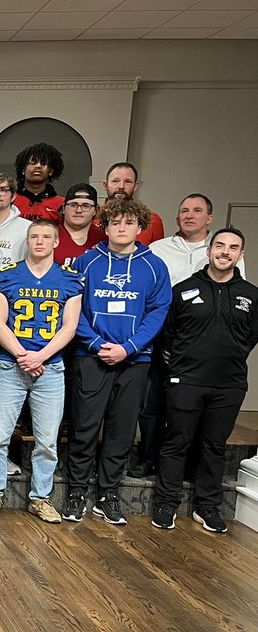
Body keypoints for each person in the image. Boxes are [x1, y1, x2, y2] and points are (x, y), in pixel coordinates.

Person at [62, 197, 171, 524]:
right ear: (105, 226)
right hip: (90, 356)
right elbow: (73, 308)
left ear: (139, 227)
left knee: (122, 431)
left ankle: (108, 494)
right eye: (115, 223)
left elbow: (158, 312)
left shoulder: (154, 266)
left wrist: (130, 347)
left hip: (134, 360)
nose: (121, 228)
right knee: (84, 428)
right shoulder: (86, 262)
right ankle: (77, 491)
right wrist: (95, 343)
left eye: (128, 223)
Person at [151, 227, 257, 534]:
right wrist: (179, 370)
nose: (225, 251)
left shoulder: (251, 295)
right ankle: (166, 503)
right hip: (186, 382)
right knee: (176, 444)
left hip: (229, 385)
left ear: (241, 255)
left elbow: (250, 337)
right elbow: (167, 337)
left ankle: (207, 507)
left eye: (233, 247)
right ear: (209, 249)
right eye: (220, 245)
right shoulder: (182, 290)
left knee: (214, 446)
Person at [0, 220, 83, 523]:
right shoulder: (7, 276)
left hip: (50, 369)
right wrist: (23, 355)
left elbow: (70, 326)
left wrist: (41, 356)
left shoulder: (70, 279)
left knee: (47, 441)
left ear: (55, 242)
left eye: (46, 237)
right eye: (34, 236)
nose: (39, 241)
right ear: (27, 241)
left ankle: (40, 498)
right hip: (12, 364)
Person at [132, 193, 218, 479]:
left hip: (201, 341)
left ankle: (188, 463)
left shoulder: (219, 248)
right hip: (161, 332)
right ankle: (148, 457)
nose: (189, 215)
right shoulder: (158, 249)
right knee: (151, 403)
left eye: (197, 210)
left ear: (210, 218)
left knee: (192, 406)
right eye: (183, 210)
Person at [103, 162, 165, 246]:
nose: (121, 186)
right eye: (115, 181)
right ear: (105, 185)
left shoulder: (152, 220)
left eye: (128, 181)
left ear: (135, 186)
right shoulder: (91, 218)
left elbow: (157, 254)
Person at [53, 183, 106, 268]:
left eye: (86, 206)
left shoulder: (104, 238)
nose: (78, 210)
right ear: (63, 208)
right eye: (73, 205)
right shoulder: (50, 235)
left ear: (95, 210)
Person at [13, 142, 65, 222]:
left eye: (43, 163)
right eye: (33, 162)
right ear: (23, 169)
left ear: (51, 171)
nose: (38, 166)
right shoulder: (9, 200)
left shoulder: (62, 204)